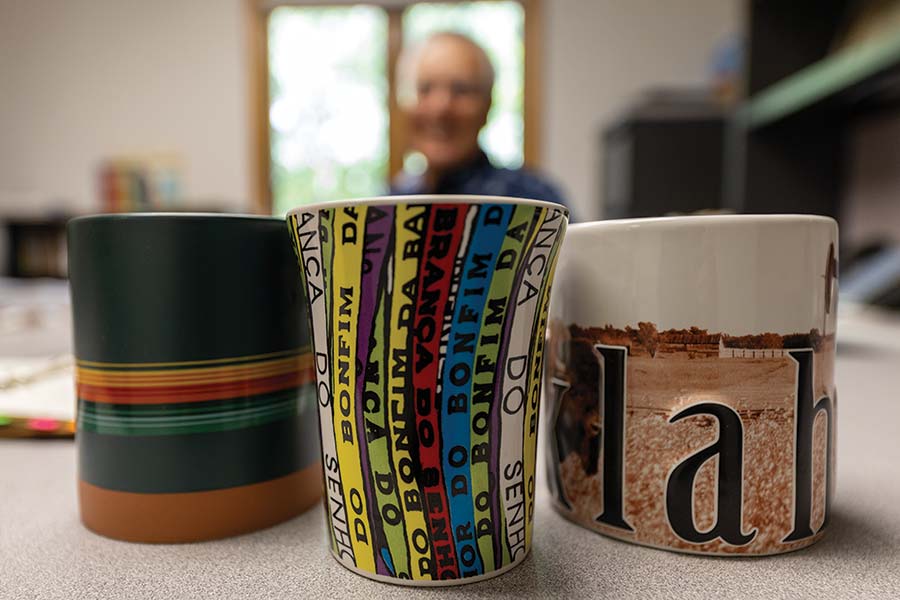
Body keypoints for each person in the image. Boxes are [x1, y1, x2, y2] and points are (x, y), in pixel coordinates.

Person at [391, 32, 571, 215]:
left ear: (487, 106)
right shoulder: (390, 205)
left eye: (461, 90)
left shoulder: (536, 204)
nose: (440, 107)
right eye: (424, 88)